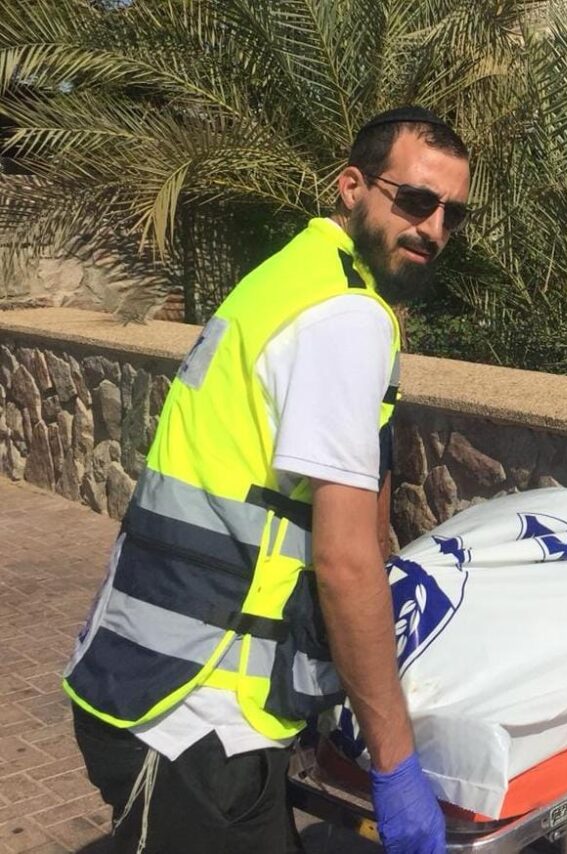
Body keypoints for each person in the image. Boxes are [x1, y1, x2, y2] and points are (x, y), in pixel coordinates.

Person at [63, 105, 471, 854]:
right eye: (416, 200)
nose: (434, 228)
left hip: (153, 682)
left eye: (453, 213)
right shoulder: (342, 317)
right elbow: (346, 560)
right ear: (352, 186)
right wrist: (395, 762)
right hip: (195, 718)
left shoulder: (291, 277)